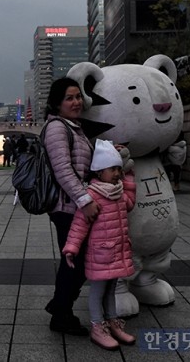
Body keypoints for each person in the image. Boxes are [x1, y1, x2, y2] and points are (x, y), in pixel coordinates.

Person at [62, 139, 137, 351]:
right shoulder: (92, 196)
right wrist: (71, 248)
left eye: (119, 169)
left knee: (112, 288)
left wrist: (130, 176)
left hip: (119, 252)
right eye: (112, 169)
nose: (117, 174)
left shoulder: (119, 192)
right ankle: (98, 326)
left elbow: (130, 203)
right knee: (98, 291)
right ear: (98, 172)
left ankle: (113, 322)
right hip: (101, 255)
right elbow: (79, 225)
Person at [43, 77, 100, 335]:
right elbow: (63, 171)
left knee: (76, 261)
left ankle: (60, 306)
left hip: (73, 206)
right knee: (74, 262)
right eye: (69, 98)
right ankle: (61, 315)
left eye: (78, 97)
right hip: (67, 208)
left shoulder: (73, 127)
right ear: (57, 103)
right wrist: (85, 201)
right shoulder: (57, 128)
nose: (76, 102)